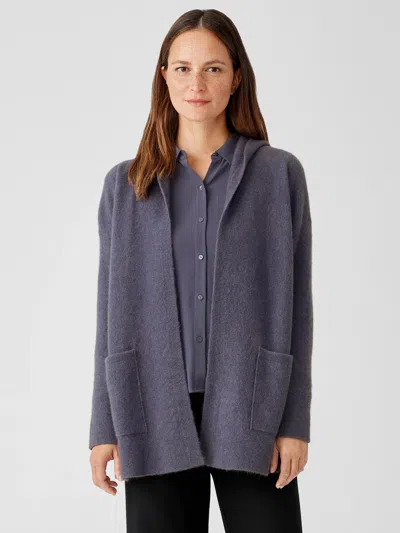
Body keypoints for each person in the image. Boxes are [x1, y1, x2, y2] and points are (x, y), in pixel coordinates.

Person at [89, 8, 313, 533]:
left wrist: (294, 421)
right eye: (183, 68)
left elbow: (298, 308)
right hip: (150, 405)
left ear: (236, 79)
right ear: (164, 77)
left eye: (213, 68)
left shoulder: (278, 175)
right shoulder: (125, 185)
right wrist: (103, 426)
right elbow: (107, 314)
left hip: (253, 406)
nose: (197, 83)